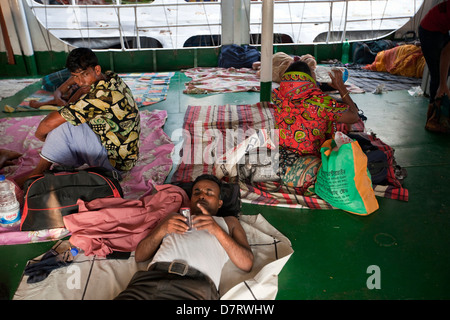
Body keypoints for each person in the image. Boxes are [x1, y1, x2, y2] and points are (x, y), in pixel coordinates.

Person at [114, 174, 254, 300]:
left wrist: (216, 229)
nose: (202, 196)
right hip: (149, 281)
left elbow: (247, 263)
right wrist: (162, 230)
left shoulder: (229, 222)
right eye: (196, 192)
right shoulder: (174, 217)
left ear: (219, 203)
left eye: (209, 192)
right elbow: (139, 256)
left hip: (193, 288)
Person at [15, 47, 140, 187]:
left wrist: (41, 136)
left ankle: (38, 172)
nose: (80, 81)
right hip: (127, 157)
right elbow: (75, 100)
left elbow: (48, 123)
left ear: (97, 70)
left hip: (114, 165)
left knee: (62, 125)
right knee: (69, 118)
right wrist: (75, 95)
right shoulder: (111, 78)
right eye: (75, 76)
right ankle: (61, 164)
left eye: (84, 74)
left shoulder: (101, 97)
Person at [272, 60, 359, 158]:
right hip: (309, 161)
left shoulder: (277, 96)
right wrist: (341, 87)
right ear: (308, 78)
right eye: (313, 73)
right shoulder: (320, 102)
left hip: (281, 157)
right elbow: (354, 117)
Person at [418, 0, 450, 103]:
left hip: (441, 29)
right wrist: (443, 84)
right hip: (429, 31)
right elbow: (446, 53)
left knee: (445, 72)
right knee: (437, 75)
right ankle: (434, 111)